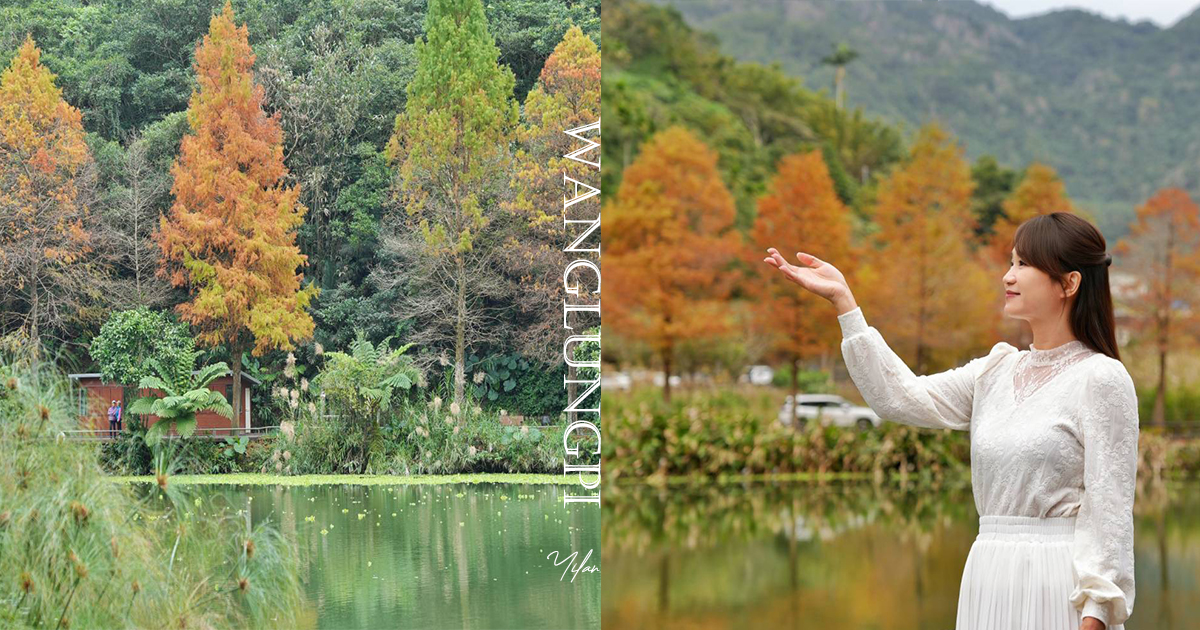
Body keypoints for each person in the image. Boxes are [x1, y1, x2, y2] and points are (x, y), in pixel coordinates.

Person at [763, 211, 1136, 630]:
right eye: (1011, 262)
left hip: (1057, 583)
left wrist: (1097, 614)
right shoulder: (995, 372)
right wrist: (846, 306)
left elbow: (1111, 514)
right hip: (988, 573)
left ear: (1069, 282)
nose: (1007, 277)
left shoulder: (1100, 378)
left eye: (1023, 264)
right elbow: (898, 397)